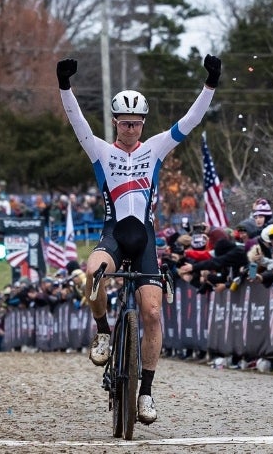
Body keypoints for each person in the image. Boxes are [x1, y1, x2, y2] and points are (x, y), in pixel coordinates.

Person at [57, 53, 220, 426]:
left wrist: (210, 83)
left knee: (151, 312)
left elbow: (191, 120)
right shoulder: (99, 150)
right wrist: (64, 85)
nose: (130, 129)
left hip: (145, 239)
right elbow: (76, 120)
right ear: (115, 122)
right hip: (114, 234)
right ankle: (102, 333)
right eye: (124, 123)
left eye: (136, 123)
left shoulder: (156, 148)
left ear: (143, 124)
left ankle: (145, 391)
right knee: (92, 270)